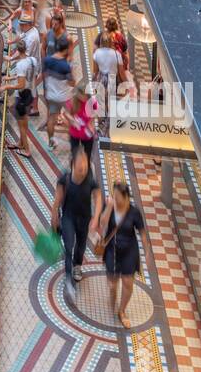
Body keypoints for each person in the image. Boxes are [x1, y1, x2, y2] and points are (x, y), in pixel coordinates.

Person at [50, 145, 104, 303]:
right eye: (80, 167)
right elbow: (57, 201)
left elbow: (98, 198)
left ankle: (77, 265)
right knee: (68, 247)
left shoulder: (90, 180)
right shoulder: (64, 179)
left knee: (80, 245)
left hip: (84, 219)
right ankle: (68, 281)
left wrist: (96, 218)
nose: (83, 170)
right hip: (68, 218)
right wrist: (54, 216)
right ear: (73, 164)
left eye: (86, 166)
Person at [98, 180, 149, 328]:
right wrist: (109, 207)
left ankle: (122, 310)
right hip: (112, 250)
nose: (116, 198)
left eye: (118, 196)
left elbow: (142, 233)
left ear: (126, 196)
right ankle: (112, 297)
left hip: (129, 251)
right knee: (113, 284)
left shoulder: (134, 212)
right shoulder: (110, 207)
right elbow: (102, 224)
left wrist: (147, 252)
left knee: (127, 283)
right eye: (114, 195)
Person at [2, 38, 39, 158]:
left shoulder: (20, 65)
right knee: (24, 122)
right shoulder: (33, 60)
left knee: (21, 126)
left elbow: (21, 84)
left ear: (17, 50)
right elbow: (29, 75)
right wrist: (12, 78)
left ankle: (26, 150)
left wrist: (7, 86)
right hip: (30, 94)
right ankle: (20, 143)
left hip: (22, 97)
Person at [43, 37, 74, 150]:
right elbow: (72, 83)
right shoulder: (66, 66)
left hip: (51, 95)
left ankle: (51, 143)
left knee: (51, 119)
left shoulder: (47, 60)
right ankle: (73, 140)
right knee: (71, 117)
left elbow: (45, 75)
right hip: (64, 96)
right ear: (66, 49)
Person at [92, 30, 128, 121]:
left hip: (101, 79)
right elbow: (121, 73)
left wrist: (93, 85)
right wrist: (127, 85)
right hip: (112, 80)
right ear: (111, 42)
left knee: (101, 104)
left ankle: (101, 126)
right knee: (112, 104)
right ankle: (110, 126)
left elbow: (95, 72)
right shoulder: (117, 54)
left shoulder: (96, 53)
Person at [63, 84, 99, 168]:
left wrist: (92, 122)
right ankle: (74, 170)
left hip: (87, 134)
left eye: (85, 96)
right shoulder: (73, 102)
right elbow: (66, 113)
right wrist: (73, 121)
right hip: (75, 133)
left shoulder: (92, 102)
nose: (84, 99)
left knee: (88, 154)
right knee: (74, 154)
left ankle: (86, 170)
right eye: (81, 97)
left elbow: (97, 113)